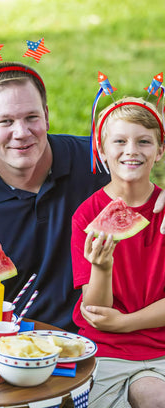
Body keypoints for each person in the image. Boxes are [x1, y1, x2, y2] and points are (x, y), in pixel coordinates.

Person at [0, 61, 111, 331]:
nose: (21, 133)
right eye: (6, 121)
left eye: (31, 117)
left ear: (46, 115)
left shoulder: (99, 164)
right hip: (14, 349)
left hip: (106, 336)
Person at [71, 97, 165, 407]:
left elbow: (113, 320)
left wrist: (125, 322)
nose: (131, 150)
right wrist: (102, 267)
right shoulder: (87, 216)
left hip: (160, 350)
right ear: (102, 151)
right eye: (120, 141)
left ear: (160, 150)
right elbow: (96, 311)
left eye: (144, 142)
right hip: (103, 349)